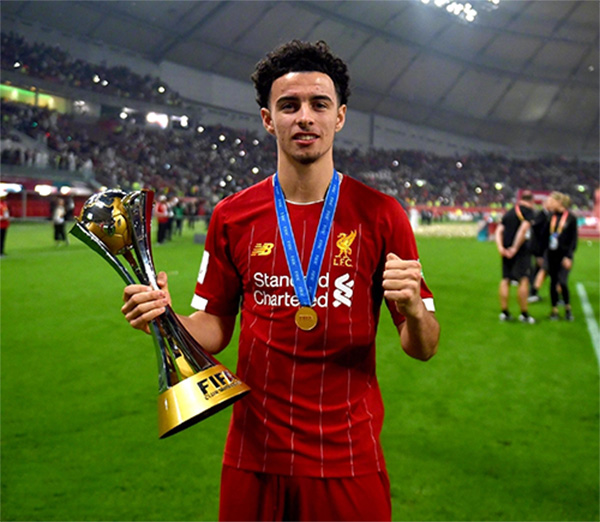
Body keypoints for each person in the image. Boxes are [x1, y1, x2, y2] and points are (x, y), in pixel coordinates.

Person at [121, 40, 440, 522]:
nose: (305, 117)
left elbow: (424, 346)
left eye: (319, 104)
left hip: (348, 457)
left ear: (340, 117)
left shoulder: (382, 215)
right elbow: (214, 327)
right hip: (254, 456)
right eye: (289, 105)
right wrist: (165, 319)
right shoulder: (232, 216)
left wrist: (414, 310)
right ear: (268, 119)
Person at [495, 190, 536, 323]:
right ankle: (524, 314)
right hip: (521, 251)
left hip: (505, 249)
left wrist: (501, 248)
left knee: (505, 279)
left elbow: (499, 230)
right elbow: (523, 229)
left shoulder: (510, 212)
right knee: (524, 279)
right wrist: (515, 248)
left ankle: (504, 312)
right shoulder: (528, 212)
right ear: (532, 201)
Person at [546, 192, 578, 321]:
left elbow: (573, 239)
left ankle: (568, 309)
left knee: (563, 282)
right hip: (552, 254)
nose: (549, 203)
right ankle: (554, 310)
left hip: (564, 256)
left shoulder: (571, 218)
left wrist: (568, 256)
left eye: (551, 201)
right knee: (553, 282)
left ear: (559, 202)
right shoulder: (550, 217)